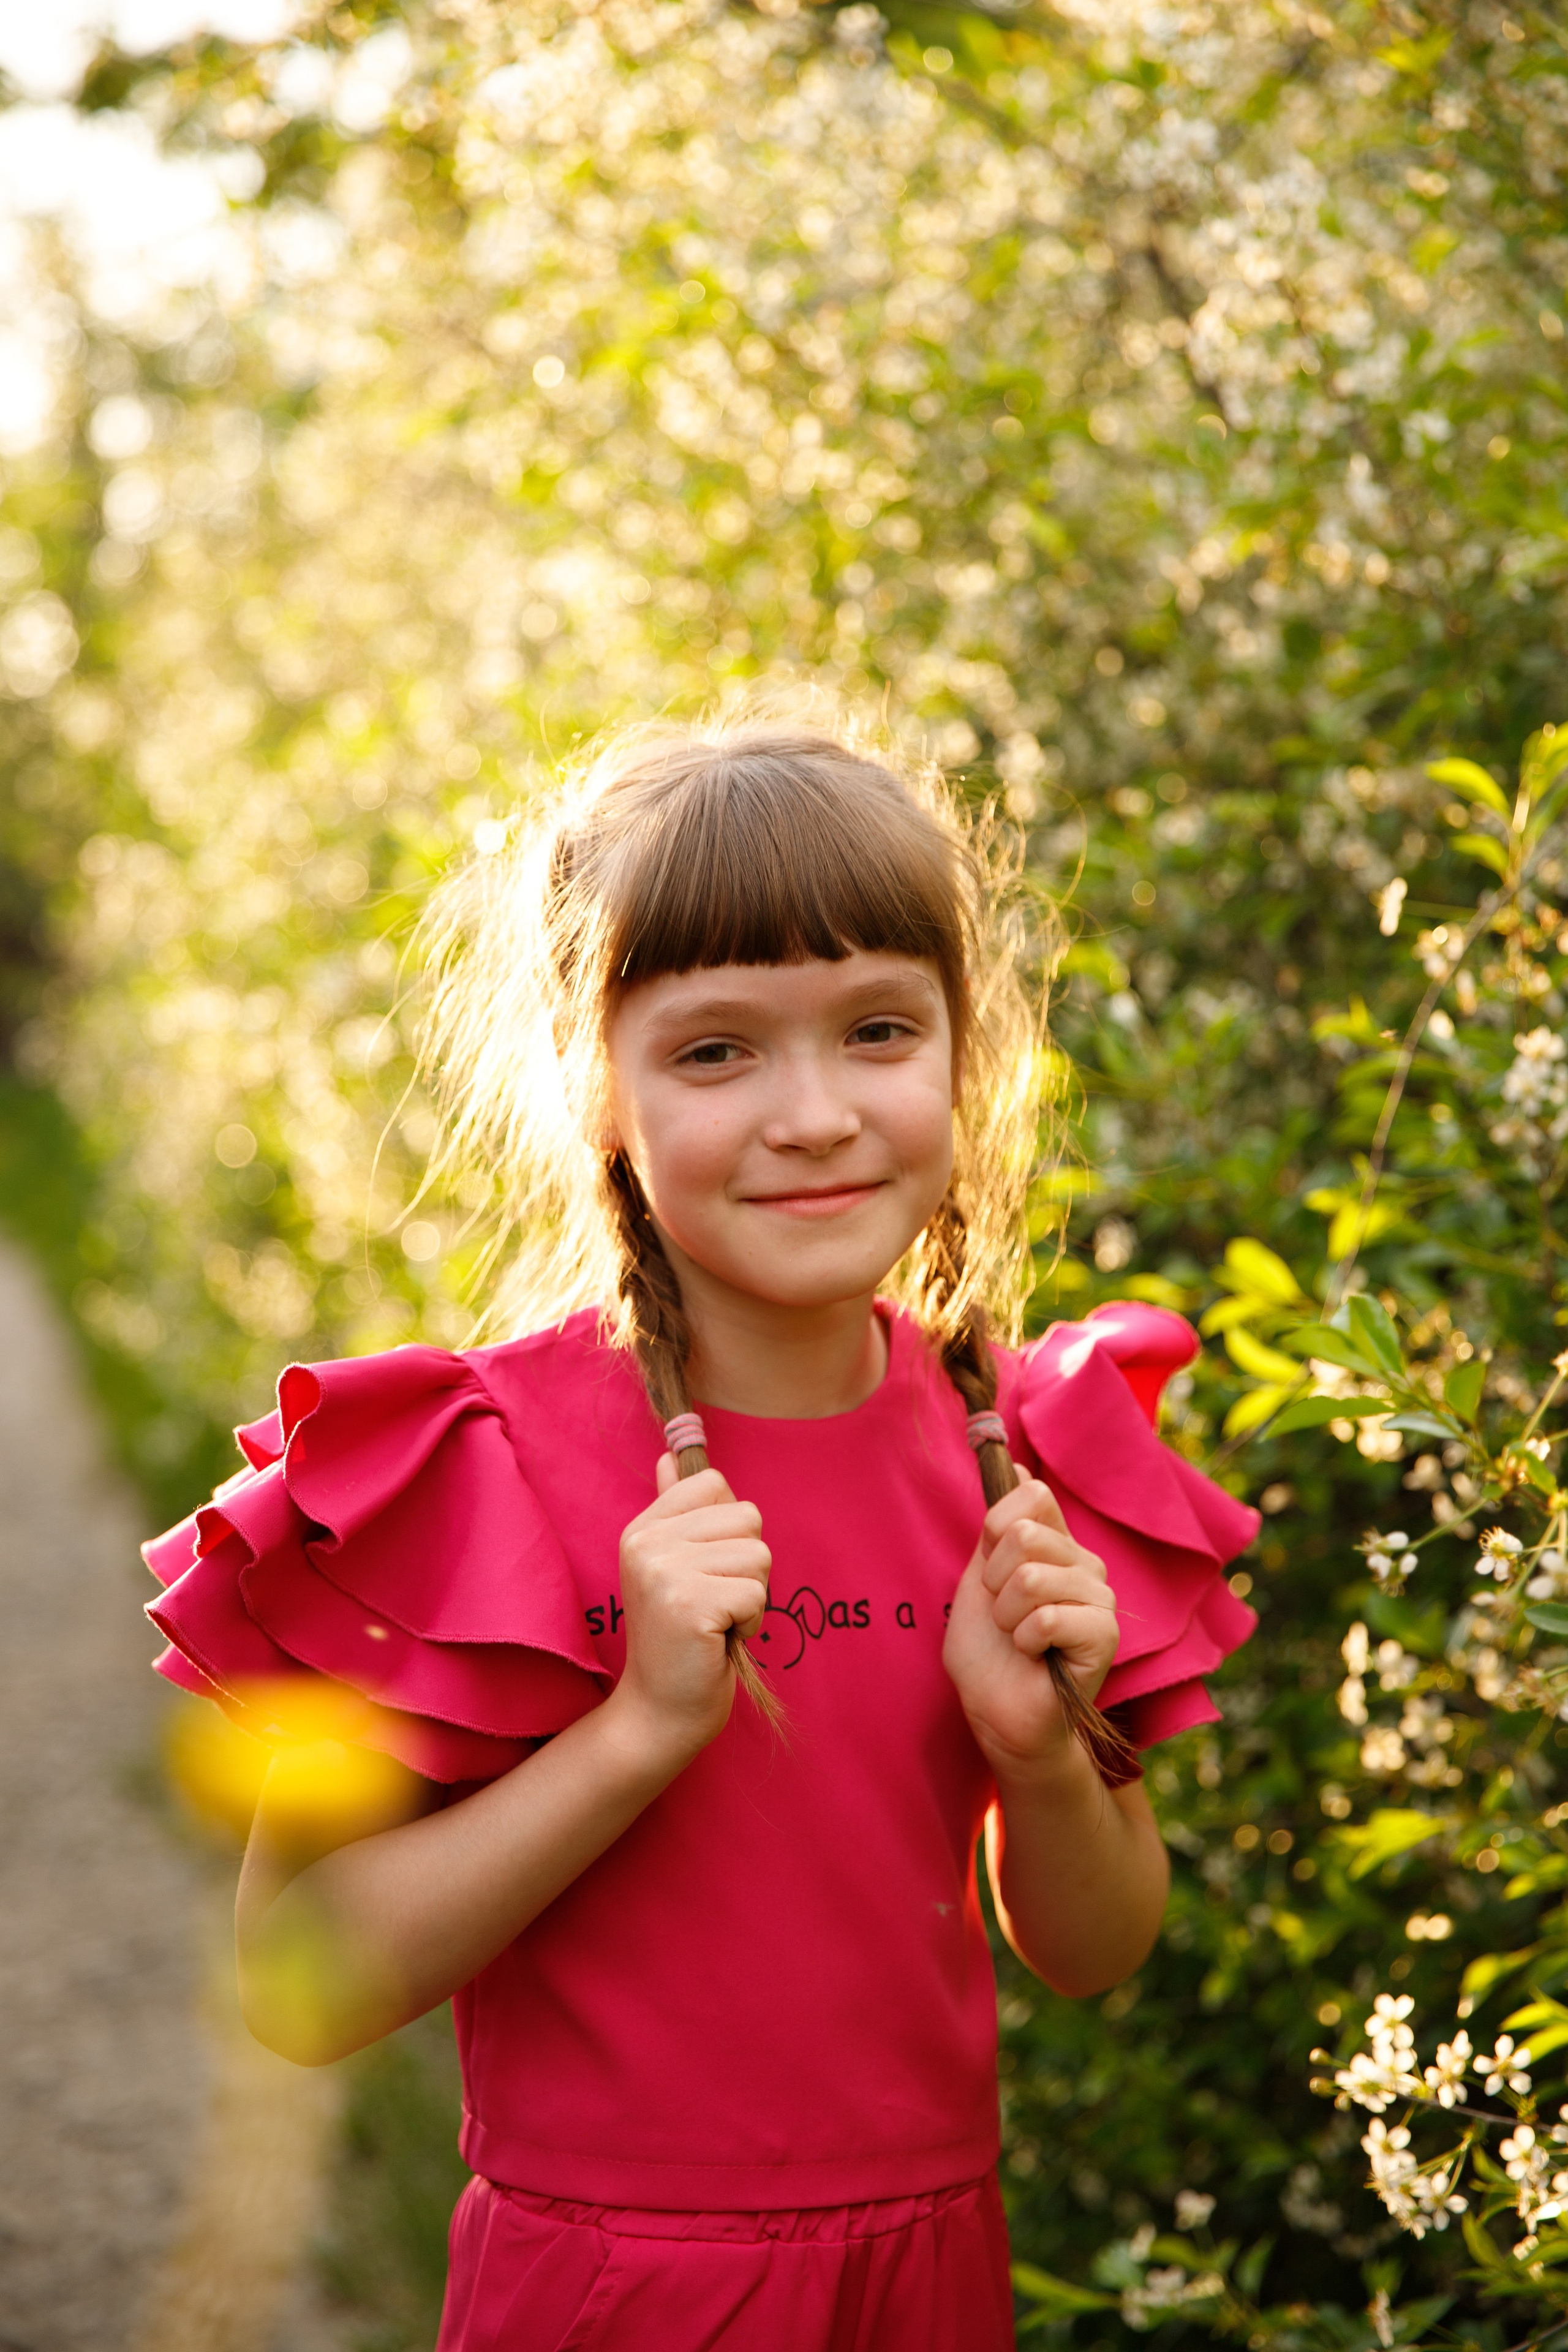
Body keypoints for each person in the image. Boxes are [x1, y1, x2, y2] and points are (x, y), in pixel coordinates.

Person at [145, 714, 1258, 2351]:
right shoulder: (478, 1469)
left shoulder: (1027, 1456)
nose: (812, 1115)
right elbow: (298, 1979)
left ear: (964, 1054)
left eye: (879, 1029)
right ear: (594, 1084)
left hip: (934, 2283)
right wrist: (638, 1728)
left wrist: (1035, 1752)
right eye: (717, 1050)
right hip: (607, 2294)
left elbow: (1094, 1949)